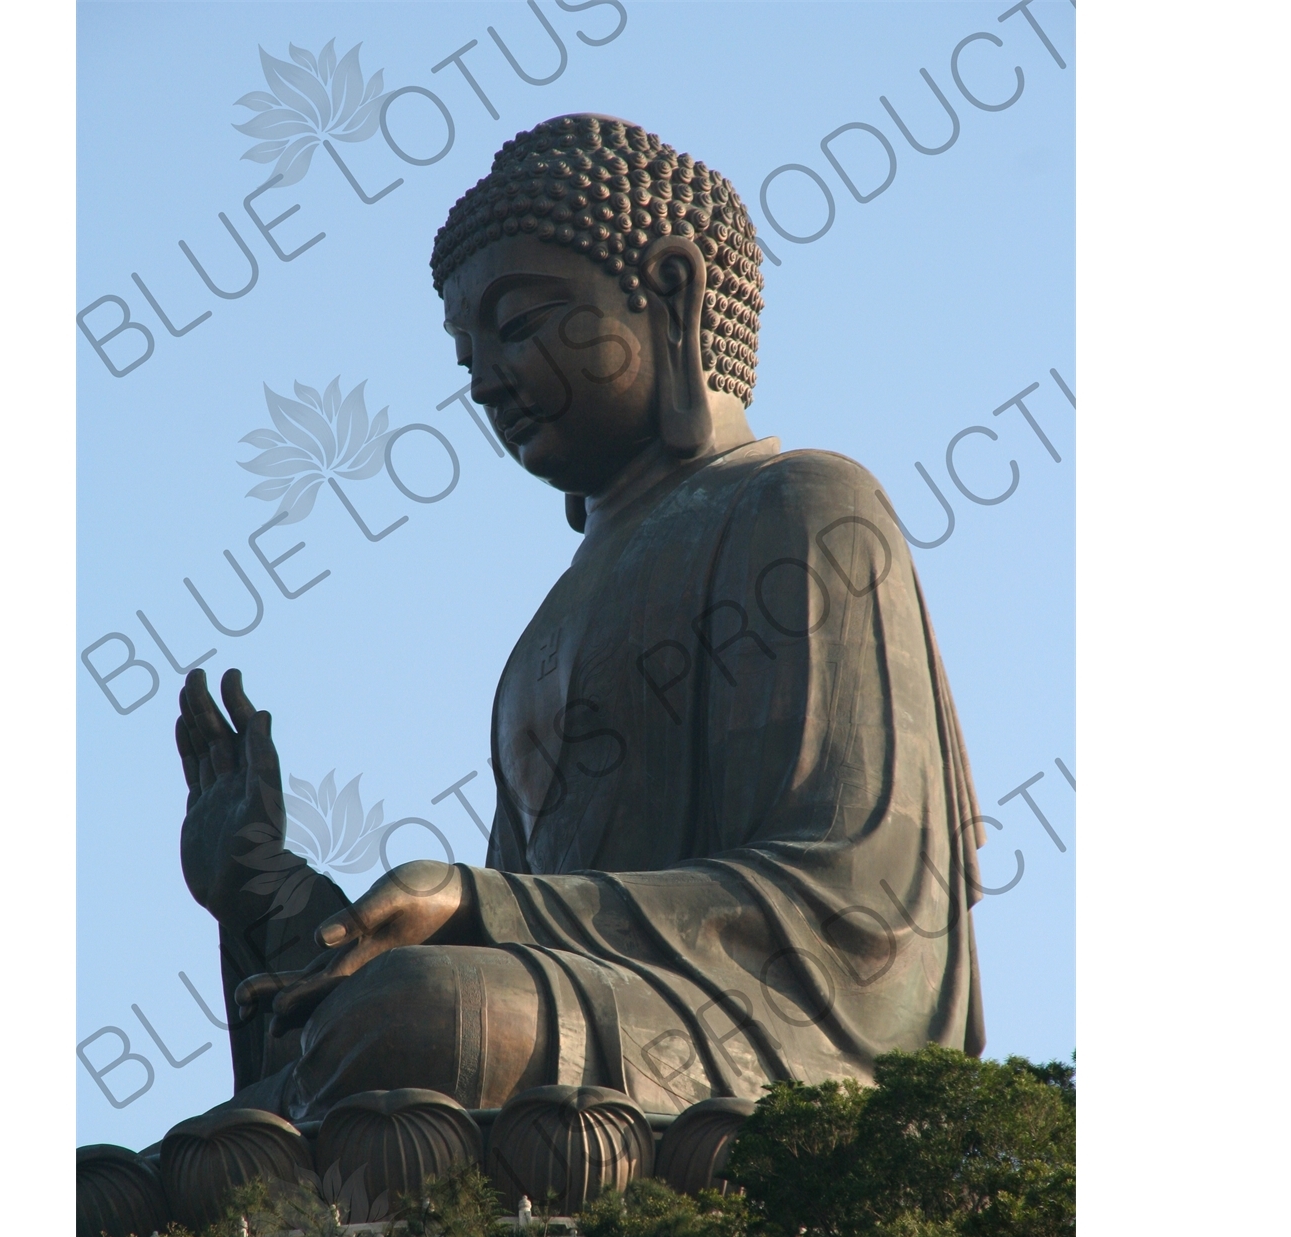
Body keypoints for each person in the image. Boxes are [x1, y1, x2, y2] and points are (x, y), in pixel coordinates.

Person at [173, 114, 986, 1128]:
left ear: (674, 295)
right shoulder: (548, 631)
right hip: (588, 1024)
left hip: (772, 1044)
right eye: (468, 354)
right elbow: (507, 934)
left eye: (518, 325)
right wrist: (259, 883)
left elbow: (863, 909)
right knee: (332, 1057)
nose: (485, 379)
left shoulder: (809, 507)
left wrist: (482, 903)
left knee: (419, 1020)